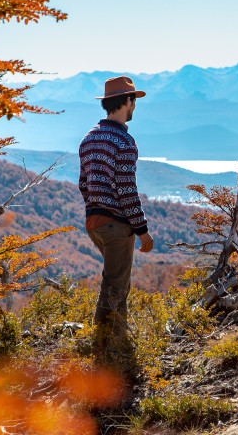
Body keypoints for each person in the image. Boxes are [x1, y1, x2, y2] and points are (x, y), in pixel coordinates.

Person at [78, 75, 154, 335]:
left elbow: (84, 184)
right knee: (115, 287)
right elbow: (127, 191)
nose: (134, 107)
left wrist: (95, 209)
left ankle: (119, 342)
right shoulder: (124, 142)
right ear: (128, 101)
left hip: (94, 223)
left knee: (117, 282)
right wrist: (142, 230)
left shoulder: (89, 138)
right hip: (116, 224)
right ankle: (103, 346)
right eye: (134, 101)